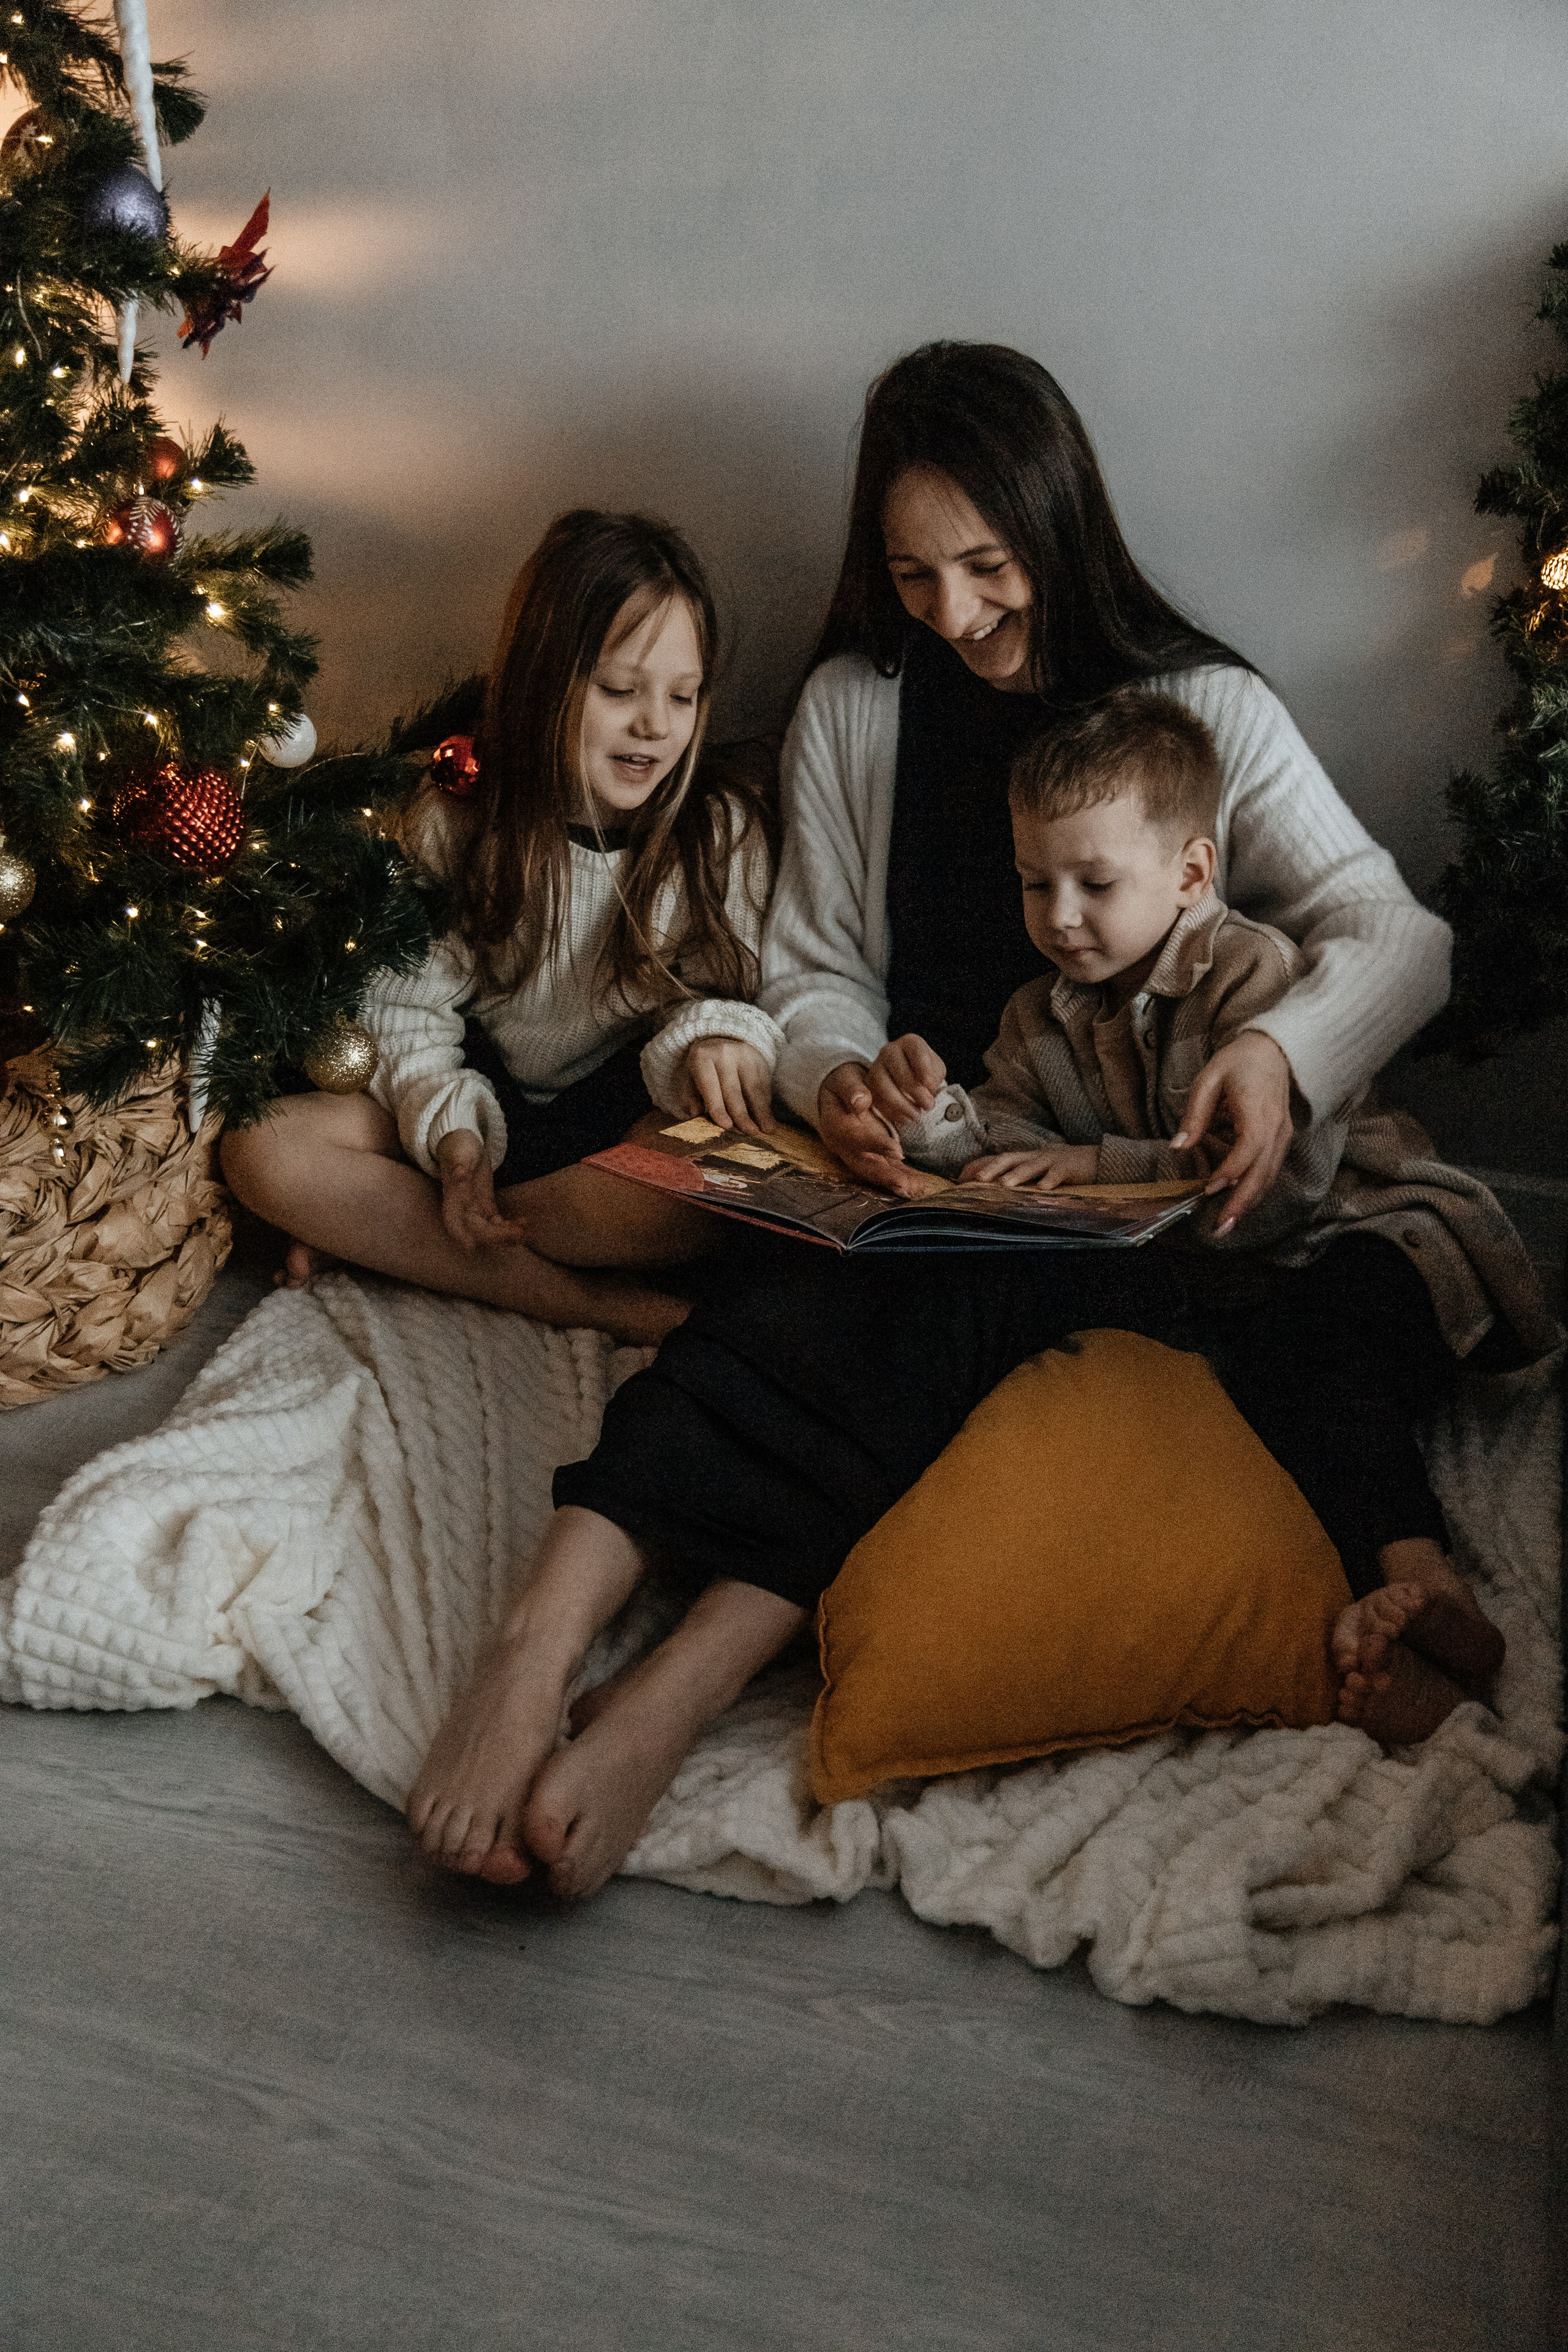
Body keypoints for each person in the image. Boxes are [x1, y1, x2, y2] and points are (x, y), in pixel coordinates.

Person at [402, 343, 1460, 1892]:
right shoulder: (857, 704)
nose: (955, 615)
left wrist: (1280, 1060)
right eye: (912, 576)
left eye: (986, 566)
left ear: (1058, 524)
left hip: (1122, 1180)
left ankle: (666, 1698)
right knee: (793, 1312)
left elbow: (1397, 934)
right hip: (930, 1155)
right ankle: (531, 1649)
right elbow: (812, 967)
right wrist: (840, 1076)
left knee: (894, 1337)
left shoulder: (1195, 707)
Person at [869, 687, 1553, 1726]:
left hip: (1361, 1236)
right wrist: (937, 1122)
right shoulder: (1035, 1014)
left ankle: (1429, 1584)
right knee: (1226, 1407)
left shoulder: (1254, 976)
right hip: (1224, 1292)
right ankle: (1373, 1622)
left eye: (1094, 883)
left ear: (1191, 873)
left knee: (1325, 1357)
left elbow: (1270, 1195)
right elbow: (1009, 1141)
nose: (1059, 915)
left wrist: (1096, 1167)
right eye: (1034, 882)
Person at [221, 510, 785, 1346]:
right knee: (261, 1150)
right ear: (545, 681)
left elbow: (729, 995)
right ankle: (586, 1303)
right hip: (470, 1098)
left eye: (684, 696)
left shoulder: (720, 830)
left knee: (713, 1189)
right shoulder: (458, 816)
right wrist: (452, 1138)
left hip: (618, 1117)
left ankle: (401, 1246)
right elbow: (408, 1008)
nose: (655, 726)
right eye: (620, 691)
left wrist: (717, 1038)